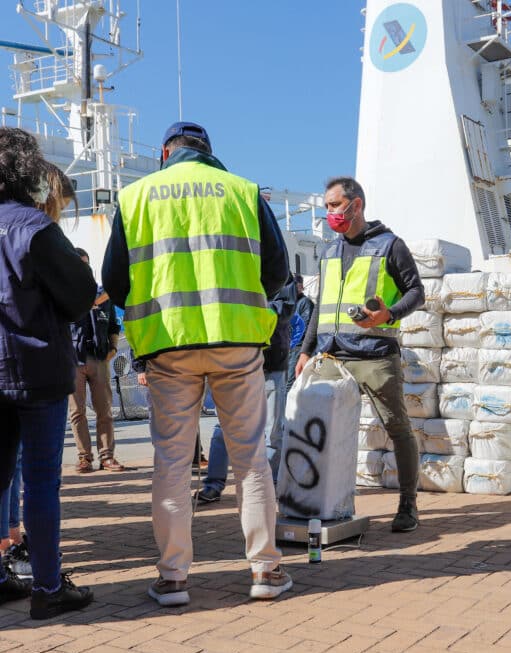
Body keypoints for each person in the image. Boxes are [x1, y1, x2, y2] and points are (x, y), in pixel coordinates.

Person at [102, 121, 292, 605]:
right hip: (237, 342)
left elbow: (114, 281)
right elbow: (277, 272)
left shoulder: (138, 196)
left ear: (165, 151)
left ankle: (173, 579)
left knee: (171, 461)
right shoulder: (243, 192)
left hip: (168, 345)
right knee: (250, 459)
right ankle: (265, 571)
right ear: (209, 151)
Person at [0, 128, 96, 617]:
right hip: (36, 368)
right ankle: (47, 587)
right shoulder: (34, 228)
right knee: (40, 481)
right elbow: (81, 295)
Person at [296, 177, 425, 532]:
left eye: (334, 205)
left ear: (356, 205)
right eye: (326, 206)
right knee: (318, 428)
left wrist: (390, 314)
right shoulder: (329, 252)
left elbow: (417, 292)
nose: (329, 213)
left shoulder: (389, 246)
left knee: (396, 428)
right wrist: (306, 351)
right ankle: (321, 503)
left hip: (375, 354)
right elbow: (321, 306)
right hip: (331, 356)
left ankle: (407, 507)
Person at [195, 277, 297, 505]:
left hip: (271, 362)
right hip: (234, 361)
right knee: (223, 429)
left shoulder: (280, 270)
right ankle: (213, 485)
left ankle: (267, 487)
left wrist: (248, 309)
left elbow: (285, 308)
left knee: (272, 431)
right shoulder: (229, 259)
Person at [69, 248, 125, 473]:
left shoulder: (104, 296)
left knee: (105, 410)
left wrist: (112, 347)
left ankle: (107, 457)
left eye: (86, 264)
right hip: (73, 360)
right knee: (77, 412)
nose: (83, 268)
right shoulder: (64, 294)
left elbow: (113, 325)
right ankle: (84, 458)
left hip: (99, 359)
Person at [287, 274, 314, 391]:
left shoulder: (305, 303)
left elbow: (304, 327)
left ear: (301, 287)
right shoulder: (289, 303)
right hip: (288, 347)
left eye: (297, 285)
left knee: (290, 381)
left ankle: (286, 407)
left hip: (297, 348)